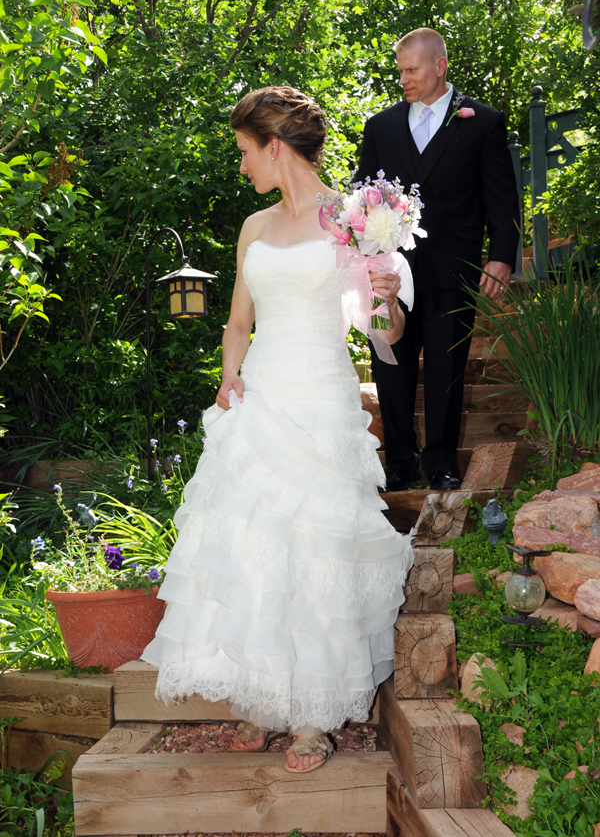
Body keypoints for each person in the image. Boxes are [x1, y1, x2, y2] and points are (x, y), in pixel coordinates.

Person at [142, 86, 415, 774]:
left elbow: (386, 331)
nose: (241, 168)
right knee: (256, 545)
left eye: (243, 152)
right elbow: (238, 320)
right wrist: (229, 373)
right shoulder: (254, 228)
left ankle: (312, 719)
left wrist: (385, 295)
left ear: (273, 145)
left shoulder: (353, 221)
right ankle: (266, 698)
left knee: (314, 555)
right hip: (261, 395)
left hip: (321, 398)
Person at [355, 28, 521, 492]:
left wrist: (501, 257)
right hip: (391, 272)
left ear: (438, 66)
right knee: (392, 365)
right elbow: (362, 197)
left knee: (448, 370)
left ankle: (442, 463)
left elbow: (502, 197)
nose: (402, 78)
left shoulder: (483, 122)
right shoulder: (380, 127)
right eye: (400, 70)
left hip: (456, 266)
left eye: (411, 70)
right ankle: (400, 463)